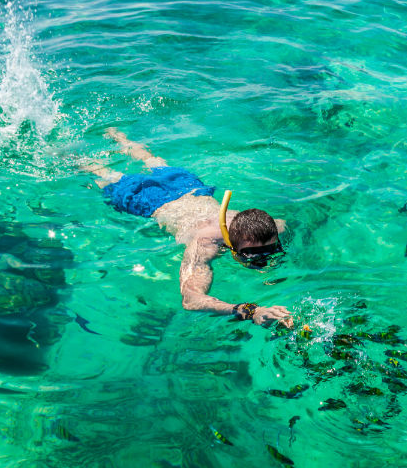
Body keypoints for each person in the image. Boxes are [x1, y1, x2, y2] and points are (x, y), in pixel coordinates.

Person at [82, 128, 293, 328]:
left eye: (272, 249)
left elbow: (285, 225)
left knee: (152, 161)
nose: (265, 259)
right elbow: (191, 299)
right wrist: (249, 310)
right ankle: (65, 151)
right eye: (253, 255)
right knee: (105, 174)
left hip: (189, 187)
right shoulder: (204, 244)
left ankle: (117, 135)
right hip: (151, 201)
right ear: (230, 242)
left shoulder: (271, 226)